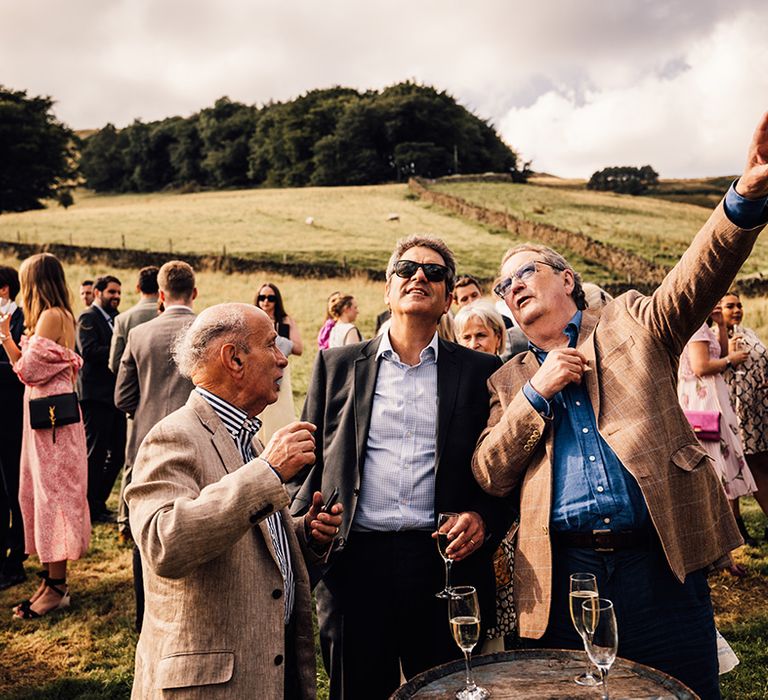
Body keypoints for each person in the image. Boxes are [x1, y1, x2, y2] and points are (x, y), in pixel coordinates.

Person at [471, 111, 768, 700]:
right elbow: (489, 470)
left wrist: (744, 196)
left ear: (567, 278)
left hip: (658, 563)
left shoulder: (632, 322)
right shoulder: (507, 380)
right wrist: (539, 392)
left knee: (682, 691)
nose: (514, 287)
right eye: (504, 287)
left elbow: (695, 277)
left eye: (525, 272)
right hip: (565, 576)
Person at [291, 235, 506, 700]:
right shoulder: (336, 365)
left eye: (434, 272)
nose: (419, 277)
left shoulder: (480, 370)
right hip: (355, 564)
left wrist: (483, 517)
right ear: (388, 290)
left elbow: (501, 467)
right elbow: (309, 459)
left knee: (446, 692)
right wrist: (304, 522)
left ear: (449, 297)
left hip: (444, 566)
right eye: (406, 269)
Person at [125, 303, 342, 699]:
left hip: (267, 673)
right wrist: (269, 472)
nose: (282, 359)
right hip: (210, 686)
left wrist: (305, 538)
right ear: (235, 358)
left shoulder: (249, 439)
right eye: (271, 345)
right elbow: (162, 544)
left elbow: (252, 547)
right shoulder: (173, 436)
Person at [0, 253, 90, 619]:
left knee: (54, 497)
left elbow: (28, 368)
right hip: (45, 422)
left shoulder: (53, 316)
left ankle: (57, 587)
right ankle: (51, 579)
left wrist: (6, 336)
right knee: (45, 495)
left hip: (51, 422)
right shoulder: (54, 316)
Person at [114, 260, 197, 631]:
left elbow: (122, 398)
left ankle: (144, 614)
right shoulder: (205, 331)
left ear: (160, 295)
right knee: (195, 524)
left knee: (145, 527)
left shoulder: (139, 334)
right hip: (197, 440)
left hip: (146, 440)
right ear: (194, 293)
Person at [678, 304, 759, 575]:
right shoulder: (696, 328)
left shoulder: (705, 326)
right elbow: (702, 366)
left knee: (719, 481)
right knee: (714, 479)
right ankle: (719, 556)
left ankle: (723, 556)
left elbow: (720, 352)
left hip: (712, 400)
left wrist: (721, 326)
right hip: (704, 405)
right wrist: (731, 361)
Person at [108, 266, 159, 542]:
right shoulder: (176, 316)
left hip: (138, 402)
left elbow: (114, 364)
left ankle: (125, 521)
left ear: (138, 288)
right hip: (175, 401)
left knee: (133, 462)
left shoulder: (125, 319)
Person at [77, 274, 126, 523]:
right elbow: (88, 351)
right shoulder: (88, 317)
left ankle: (98, 501)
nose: (116, 296)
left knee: (118, 454)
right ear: (98, 293)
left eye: (118, 292)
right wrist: (120, 350)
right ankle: (89, 507)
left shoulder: (116, 320)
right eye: (111, 292)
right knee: (95, 454)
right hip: (95, 397)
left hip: (114, 397)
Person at [720, 291, 768, 542]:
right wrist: (730, 357)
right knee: (735, 468)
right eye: (730, 306)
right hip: (734, 408)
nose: (737, 309)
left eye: (739, 305)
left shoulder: (748, 332)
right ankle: (736, 527)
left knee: (759, 463)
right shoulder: (718, 337)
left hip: (759, 409)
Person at [0, 266, 27, 589]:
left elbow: (19, 368)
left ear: (4, 290)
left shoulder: (21, 321)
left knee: (13, 489)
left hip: (12, 418)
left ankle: (16, 556)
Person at [255, 282, 302, 443]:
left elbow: (298, 348)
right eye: (262, 297)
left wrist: (279, 341)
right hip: (258, 370)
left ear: (277, 300)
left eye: (270, 298)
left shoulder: (285, 321)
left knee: (280, 409)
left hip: (280, 371)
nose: (266, 301)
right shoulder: (253, 319)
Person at [108, 266, 159, 374]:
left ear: (137, 288)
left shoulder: (122, 319)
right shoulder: (170, 315)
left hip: (135, 385)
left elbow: (115, 364)